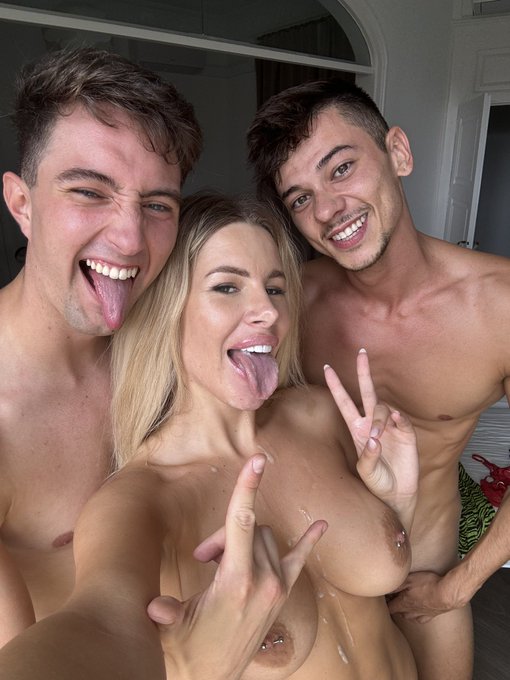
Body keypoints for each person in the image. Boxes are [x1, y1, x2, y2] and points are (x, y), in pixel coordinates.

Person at [0, 192, 420, 679]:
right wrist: (186, 663)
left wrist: (398, 502)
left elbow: (377, 594)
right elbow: (99, 622)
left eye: (275, 288)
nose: (267, 311)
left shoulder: (319, 415)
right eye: (226, 287)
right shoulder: (140, 502)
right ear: (168, 310)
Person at [0, 46, 305, 674]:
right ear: (21, 203)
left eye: (158, 204)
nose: (130, 238)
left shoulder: (175, 348)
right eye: (90, 191)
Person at [246, 77, 510, 680]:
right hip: (323, 562)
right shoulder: (291, 302)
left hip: (426, 570)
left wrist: (456, 587)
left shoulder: (499, 306)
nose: (328, 210)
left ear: (398, 152)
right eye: (300, 199)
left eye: (341, 169)